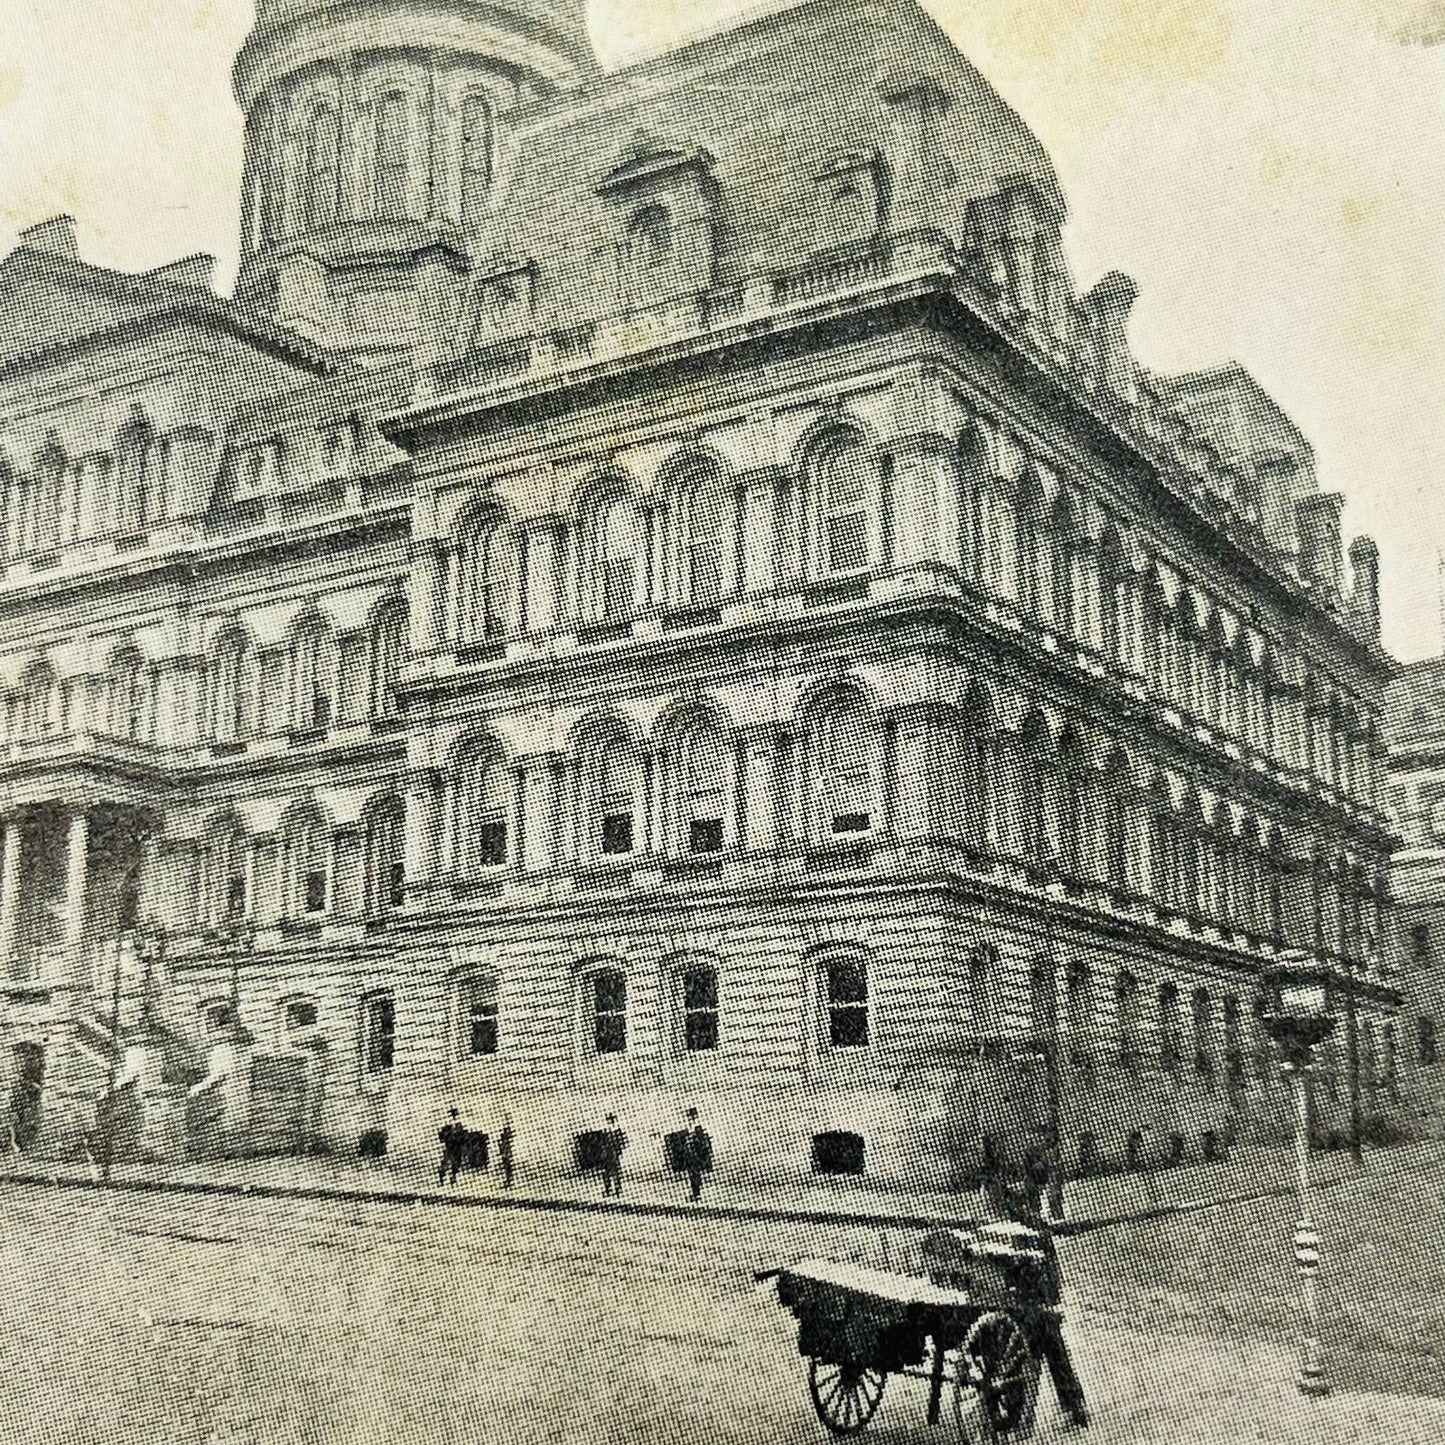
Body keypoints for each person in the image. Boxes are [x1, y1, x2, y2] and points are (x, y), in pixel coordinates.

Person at [984, 1151, 1090, 1431]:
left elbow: (1033, 1229)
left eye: (1024, 1180)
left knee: (1045, 1340)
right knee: (1015, 1344)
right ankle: (1015, 1411)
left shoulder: (1025, 1207)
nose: (1019, 1184)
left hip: (1038, 1282)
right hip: (1012, 1280)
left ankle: (1073, 1406)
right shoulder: (1006, 1201)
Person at [679, 1107, 712, 1202]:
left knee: (694, 1173)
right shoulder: (691, 1125)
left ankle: (696, 1194)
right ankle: (695, 1193)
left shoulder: (697, 1125)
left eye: (690, 1115)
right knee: (692, 1173)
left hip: (694, 1154)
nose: (689, 1117)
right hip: (690, 1154)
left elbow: (698, 1139)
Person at [437, 1107, 465, 1186]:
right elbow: (442, 1135)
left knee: (454, 1163)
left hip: (455, 1146)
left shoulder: (458, 1124)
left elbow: (462, 1135)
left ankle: (452, 1179)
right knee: (447, 1162)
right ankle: (443, 1179)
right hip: (450, 1146)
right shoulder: (449, 1124)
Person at [600, 1113, 626, 1197]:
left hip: (614, 1154)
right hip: (607, 1155)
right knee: (606, 1173)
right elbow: (603, 1144)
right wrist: (603, 1153)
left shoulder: (617, 1131)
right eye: (609, 1120)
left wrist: (619, 1152)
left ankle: (618, 1190)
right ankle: (608, 1189)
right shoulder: (606, 1132)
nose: (610, 1122)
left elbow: (622, 1142)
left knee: (617, 1173)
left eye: (611, 1120)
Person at [497, 1118, 514, 1190]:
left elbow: (504, 1148)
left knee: (507, 1168)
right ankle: (508, 1181)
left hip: (506, 1155)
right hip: (506, 1155)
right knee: (507, 1168)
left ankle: (508, 1181)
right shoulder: (505, 1141)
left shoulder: (505, 1141)